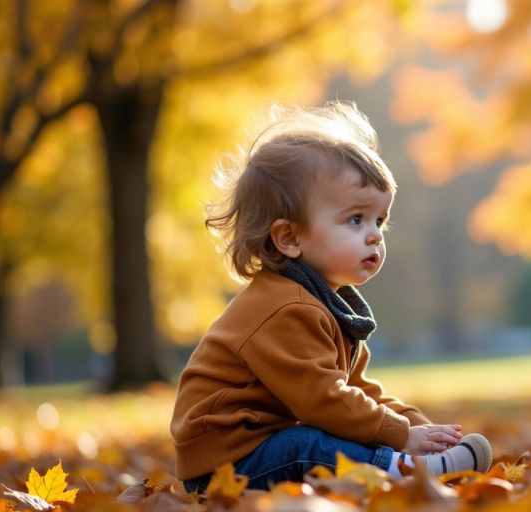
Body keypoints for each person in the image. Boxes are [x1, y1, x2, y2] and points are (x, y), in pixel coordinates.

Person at [170, 102, 492, 493]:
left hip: (257, 449)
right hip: (228, 463)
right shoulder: (285, 308)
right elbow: (323, 400)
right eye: (355, 219)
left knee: (324, 433)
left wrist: (418, 426)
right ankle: (405, 472)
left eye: (379, 221)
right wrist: (401, 436)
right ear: (289, 237)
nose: (374, 234)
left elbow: (357, 390)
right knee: (307, 445)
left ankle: (410, 463)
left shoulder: (326, 303)